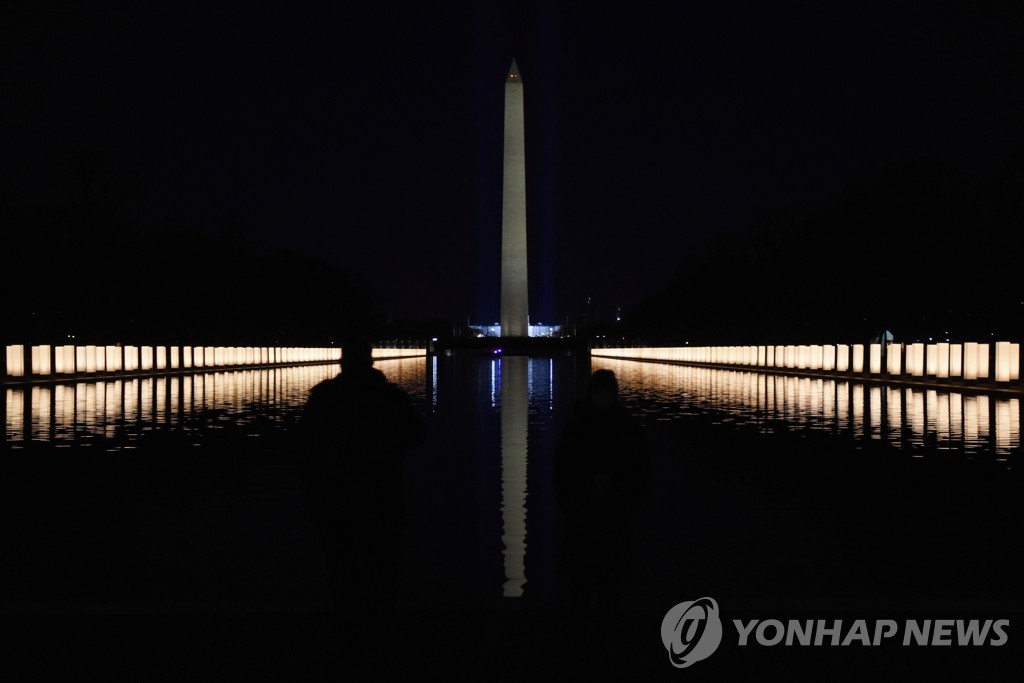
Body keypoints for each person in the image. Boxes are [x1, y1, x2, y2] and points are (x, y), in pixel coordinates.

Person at [294, 337, 425, 669]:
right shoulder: (390, 397)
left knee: (342, 576)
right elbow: (417, 435)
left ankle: (346, 642)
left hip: (337, 501)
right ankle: (379, 642)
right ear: (370, 362)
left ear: (342, 363)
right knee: (382, 576)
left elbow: (304, 447)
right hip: (382, 499)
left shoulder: (325, 397)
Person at [553, 369, 650, 623]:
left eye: (605, 392)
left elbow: (639, 471)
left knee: (608, 584)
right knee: (581, 584)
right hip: (584, 514)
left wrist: (625, 505)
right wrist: (571, 502)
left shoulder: (625, 428)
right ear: (591, 394)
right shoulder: (578, 427)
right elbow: (560, 470)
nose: (601, 397)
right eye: (597, 392)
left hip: (612, 514)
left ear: (613, 394)